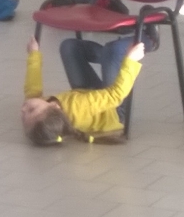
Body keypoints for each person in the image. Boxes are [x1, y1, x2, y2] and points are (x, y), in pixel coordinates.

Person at [21, 34, 149, 145]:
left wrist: (33, 54)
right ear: (55, 107)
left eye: (23, 116)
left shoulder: (42, 110)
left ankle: (110, 57)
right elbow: (116, 94)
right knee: (113, 51)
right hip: (115, 108)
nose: (24, 109)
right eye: (31, 110)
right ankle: (149, 38)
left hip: (91, 96)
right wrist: (131, 60)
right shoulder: (79, 108)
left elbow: (32, 88)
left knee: (69, 47)